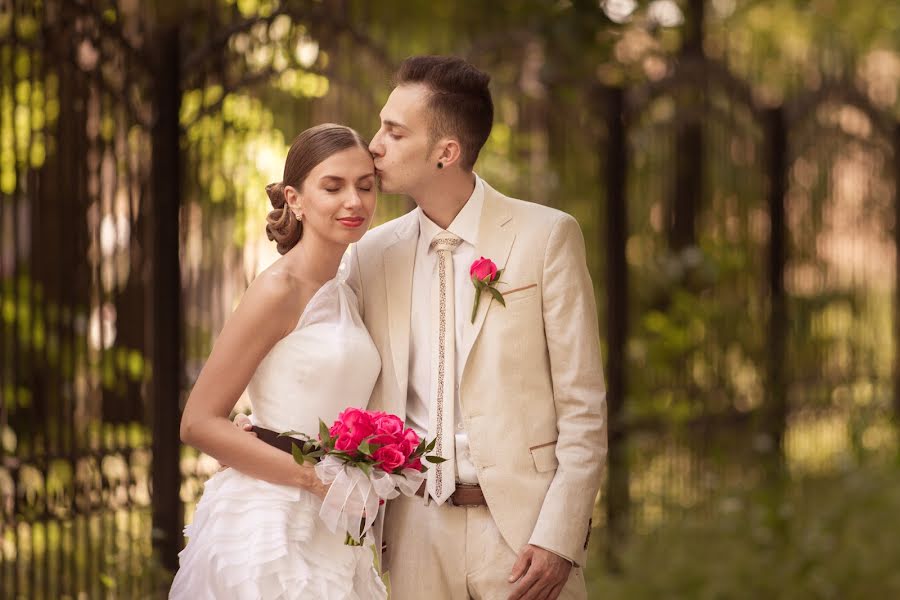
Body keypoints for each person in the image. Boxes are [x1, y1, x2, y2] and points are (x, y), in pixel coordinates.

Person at [351, 55, 607, 600]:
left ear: (447, 152)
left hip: (522, 537)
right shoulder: (371, 255)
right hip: (413, 530)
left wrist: (560, 537)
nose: (374, 145)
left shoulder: (546, 237)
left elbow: (583, 407)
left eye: (395, 133)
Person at [169, 123, 387, 600]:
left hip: (334, 523)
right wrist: (313, 480)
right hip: (269, 522)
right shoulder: (277, 289)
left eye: (365, 186)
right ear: (296, 198)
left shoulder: (347, 287)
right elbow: (198, 423)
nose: (354, 201)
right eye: (333, 187)